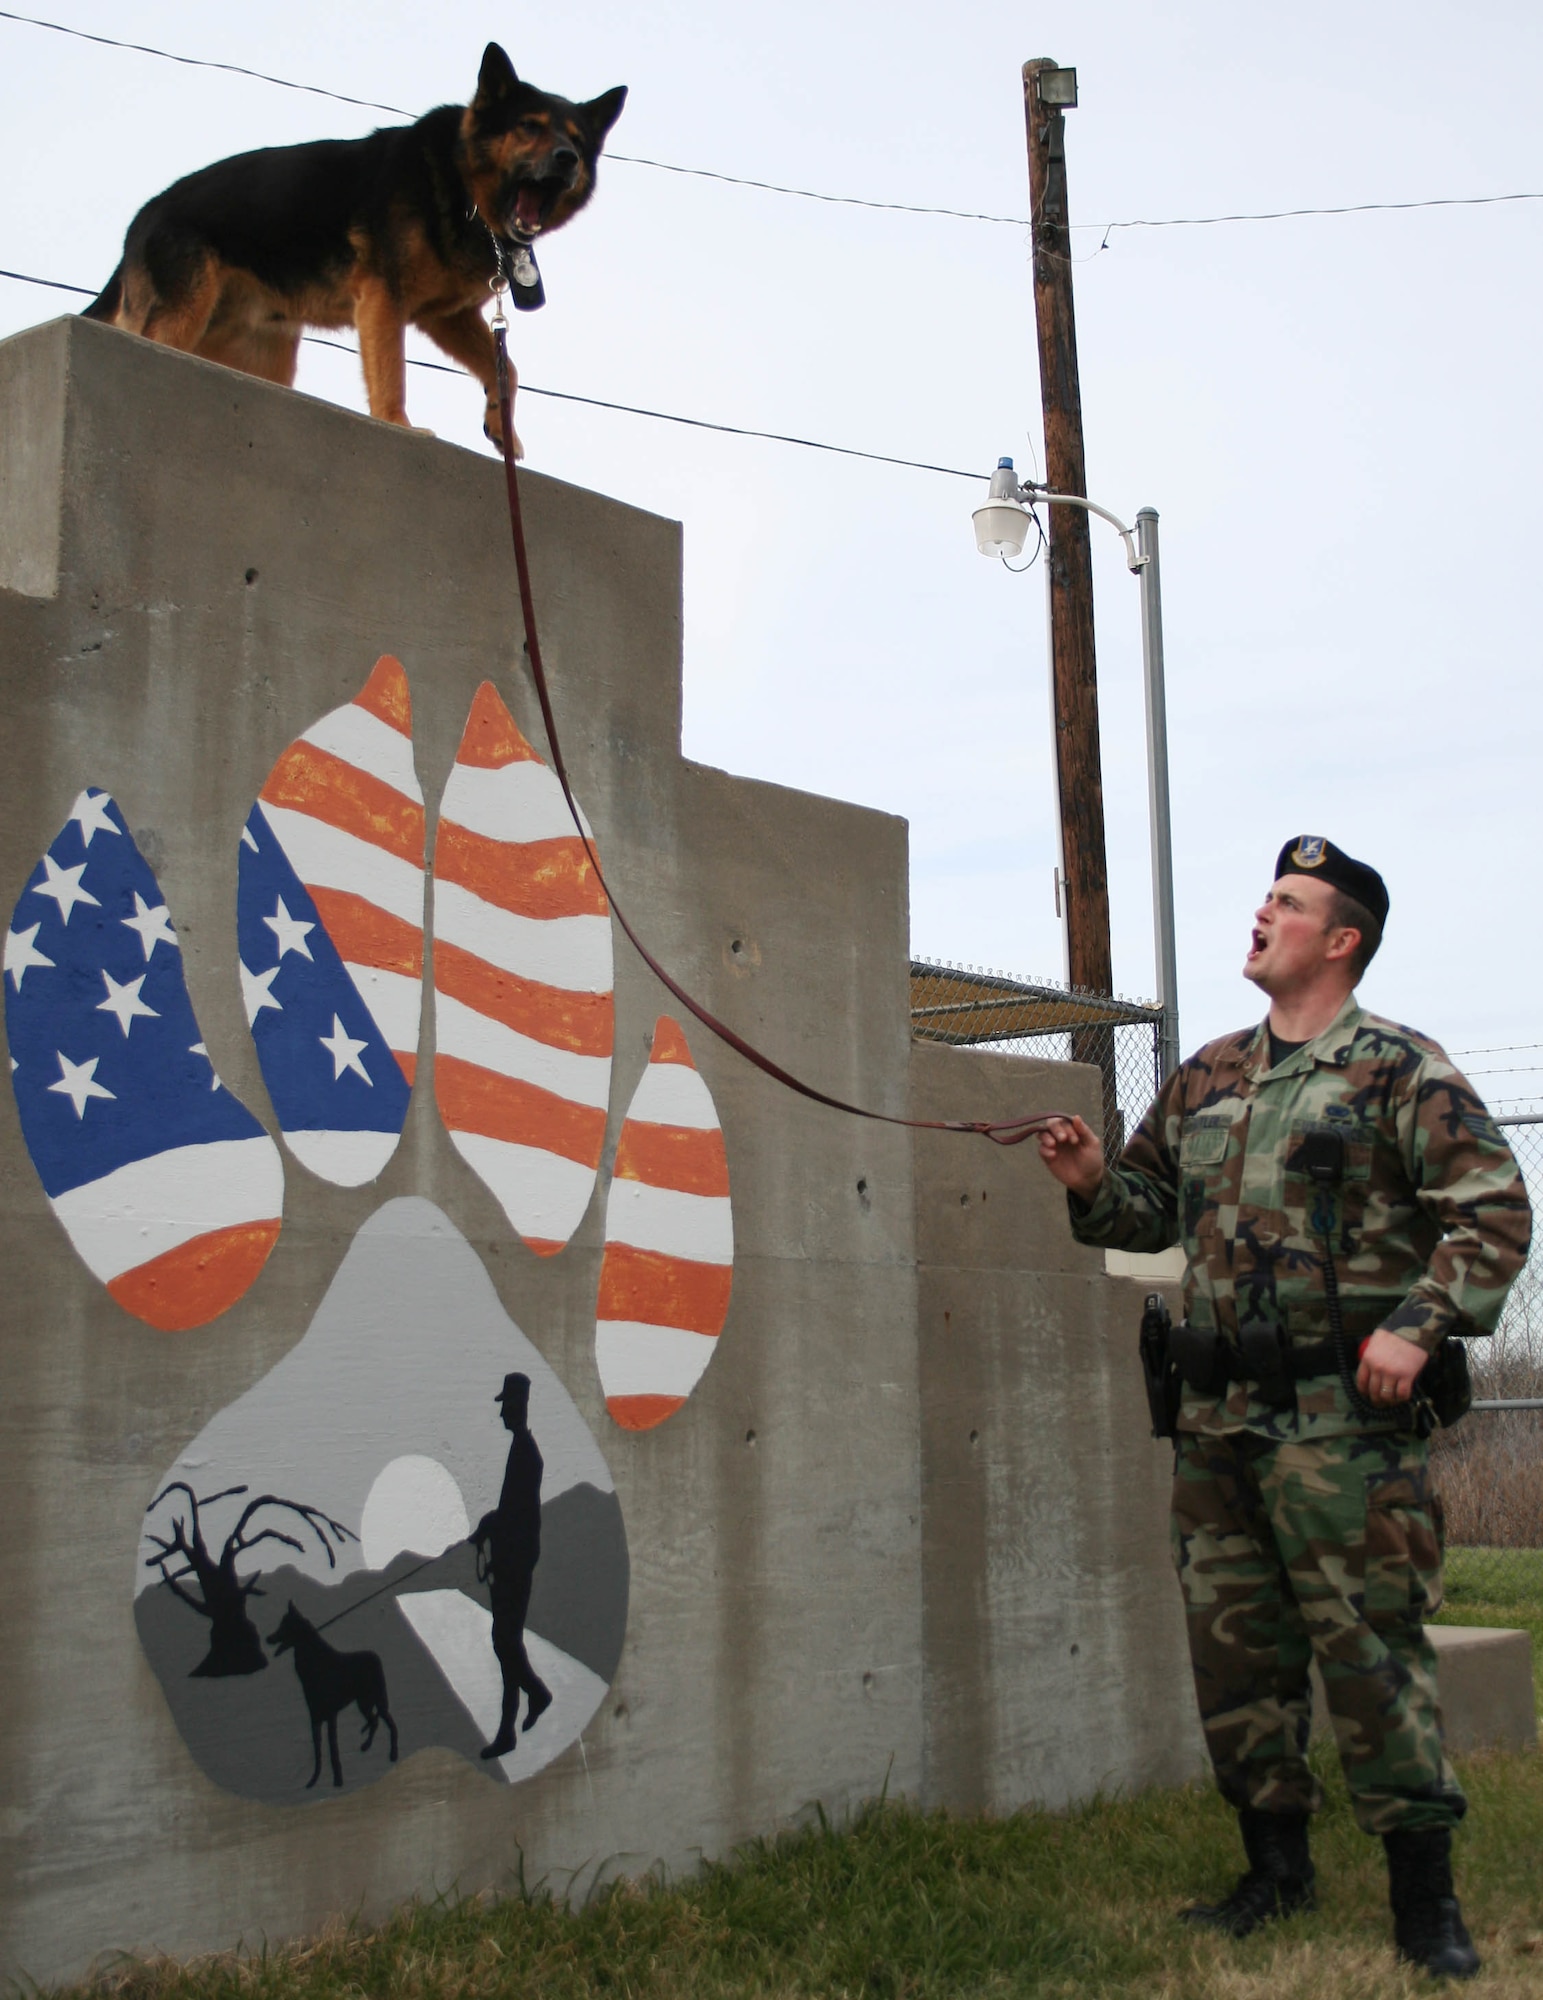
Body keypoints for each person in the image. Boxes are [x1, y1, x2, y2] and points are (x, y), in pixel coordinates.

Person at [1037, 837, 1530, 1981]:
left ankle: (1424, 1898)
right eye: (1265, 896)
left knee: (1370, 1655)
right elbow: (1145, 1209)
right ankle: (1274, 1866)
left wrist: (1418, 1324)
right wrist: (1087, 1184)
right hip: (1214, 1428)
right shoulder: (1207, 1075)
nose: (1261, 913)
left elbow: (1493, 1213)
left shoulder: (1399, 1070)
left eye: (1288, 903)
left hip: (1342, 1436)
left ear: (1340, 937)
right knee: (1236, 1658)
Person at [470, 1371, 552, 1757]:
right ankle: (508, 1729)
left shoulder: (525, 1454)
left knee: (504, 1642)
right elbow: (513, 1512)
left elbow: (517, 1515)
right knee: (507, 1643)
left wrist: (490, 1526)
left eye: (506, 1405)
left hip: (515, 1564)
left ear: (519, 1406)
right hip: (512, 1560)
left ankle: (535, 1692)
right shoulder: (521, 1450)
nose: (502, 1413)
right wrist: (490, 1527)